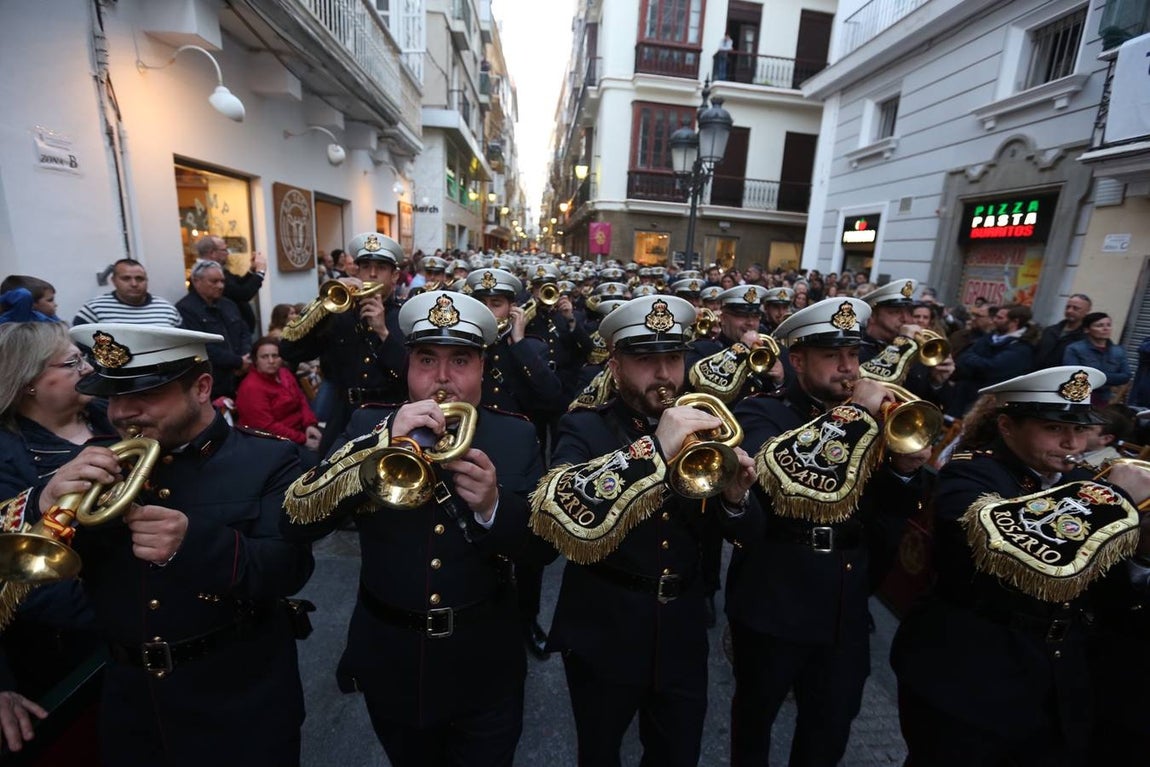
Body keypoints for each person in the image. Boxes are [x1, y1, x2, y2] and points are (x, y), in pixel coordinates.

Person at [16, 323, 315, 765]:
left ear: (202, 387)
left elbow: (289, 568)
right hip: (132, 700)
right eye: (114, 396)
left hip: (241, 696)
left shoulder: (269, 459)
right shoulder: (94, 460)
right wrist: (41, 505)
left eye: (144, 395)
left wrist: (194, 545)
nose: (122, 414)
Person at [283, 290, 541, 767]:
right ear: (407, 367)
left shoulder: (516, 434)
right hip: (393, 658)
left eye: (460, 360)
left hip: (484, 660)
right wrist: (379, 443)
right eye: (427, 359)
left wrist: (493, 506)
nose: (442, 378)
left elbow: (541, 549)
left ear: (483, 368)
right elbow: (300, 520)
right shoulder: (367, 423)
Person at [528, 294, 759, 767]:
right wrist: (656, 448)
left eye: (673, 358)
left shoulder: (709, 427)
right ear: (615, 366)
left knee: (677, 755)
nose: (664, 375)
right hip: (602, 629)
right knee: (599, 753)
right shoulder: (584, 426)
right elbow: (556, 511)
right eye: (645, 360)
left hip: (681, 630)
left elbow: (746, 535)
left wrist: (736, 500)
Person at [890, 366, 1150, 766]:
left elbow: (1102, 576)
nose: (1072, 442)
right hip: (971, 675)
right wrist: (1112, 497)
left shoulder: (1077, 477)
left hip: (1056, 679)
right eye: (1053, 429)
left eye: (1080, 430)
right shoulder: (972, 472)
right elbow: (1002, 543)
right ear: (1008, 426)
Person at [728, 297, 934, 766]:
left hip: (844, 599)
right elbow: (779, 481)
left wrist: (905, 471)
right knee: (755, 719)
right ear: (796, 360)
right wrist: (856, 416)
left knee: (831, 724)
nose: (849, 368)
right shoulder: (764, 413)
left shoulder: (870, 417)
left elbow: (889, 512)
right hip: (774, 593)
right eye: (832, 356)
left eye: (854, 355)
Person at [0, 322, 107, 754]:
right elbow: (19, 577)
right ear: (28, 383)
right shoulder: (7, 457)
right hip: (69, 647)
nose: (88, 367)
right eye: (72, 362)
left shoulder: (112, 414)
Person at [279, 232, 408, 457]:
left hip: (389, 416)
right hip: (344, 416)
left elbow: (411, 374)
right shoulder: (338, 314)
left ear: (395, 276)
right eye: (365, 266)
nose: (372, 273)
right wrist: (321, 306)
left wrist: (382, 332)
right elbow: (289, 350)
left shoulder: (405, 316)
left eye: (381, 268)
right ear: (356, 271)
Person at [176, 259, 251, 400]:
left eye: (222, 281)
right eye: (214, 281)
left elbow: (244, 331)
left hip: (240, 376)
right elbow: (200, 346)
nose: (220, 286)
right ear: (197, 281)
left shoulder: (229, 305)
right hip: (213, 381)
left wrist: (245, 357)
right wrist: (237, 361)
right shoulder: (186, 309)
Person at [235, 337, 321, 449]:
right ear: (255, 360)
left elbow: (301, 400)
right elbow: (267, 427)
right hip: (272, 443)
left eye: (275, 356)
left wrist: (309, 424)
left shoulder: (284, 373)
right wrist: (303, 439)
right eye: (264, 357)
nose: (271, 361)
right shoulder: (251, 387)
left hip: (300, 431)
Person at [72, 259, 182, 327]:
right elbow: (80, 345)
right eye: (126, 278)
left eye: (139, 278)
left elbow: (184, 343)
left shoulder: (167, 309)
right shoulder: (94, 309)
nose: (134, 284)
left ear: (146, 280)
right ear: (114, 281)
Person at [195, 235, 267, 334]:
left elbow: (237, 284)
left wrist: (252, 270)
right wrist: (260, 272)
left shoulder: (218, 270)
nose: (227, 253)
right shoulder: (205, 273)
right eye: (224, 250)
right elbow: (242, 294)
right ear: (212, 253)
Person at [1063, 312, 1130, 405]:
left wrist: (1096, 376)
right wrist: (1110, 378)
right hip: (1079, 398)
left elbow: (1125, 376)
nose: (1106, 328)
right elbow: (1075, 375)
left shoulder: (1118, 351)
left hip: (1104, 400)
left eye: (1108, 325)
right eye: (1099, 325)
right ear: (1087, 329)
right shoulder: (1075, 349)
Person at [1034, 293, 1091, 369]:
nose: (1070, 310)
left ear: (1087, 311)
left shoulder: (1087, 338)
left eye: (1076, 308)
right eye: (1068, 307)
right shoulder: (1050, 330)